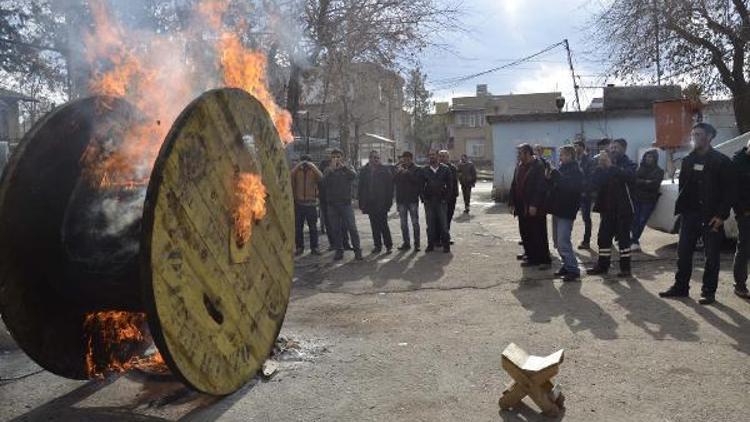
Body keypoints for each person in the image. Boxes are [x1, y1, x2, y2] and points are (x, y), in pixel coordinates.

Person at [659, 123, 735, 304]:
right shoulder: (688, 160)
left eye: (699, 134)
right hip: (690, 215)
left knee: (711, 256)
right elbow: (683, 187)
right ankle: (681, 287)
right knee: (683, 252)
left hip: (712, 216)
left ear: (709, 137)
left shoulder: (722, 161)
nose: (694, 137)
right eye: (693, 134)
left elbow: (730, 191)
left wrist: (721, 215)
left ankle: (708, 292)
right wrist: (682, 210)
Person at [586, 138, 637, 277]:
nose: (613, 150)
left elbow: (628, 176)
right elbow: (593, 184)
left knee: (623, 240)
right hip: (607, 209)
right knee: (603, 238)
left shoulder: (630, 164)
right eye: (612, 148)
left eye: (616, 148)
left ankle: (625, 269)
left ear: (624, 149)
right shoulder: (606, 165)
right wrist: (600, 168)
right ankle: (603, 266)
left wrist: (610, 167)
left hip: (624, 209)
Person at [509, 143, 551, 269]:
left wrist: (534, 204)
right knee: (525, 232)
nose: (518, 155)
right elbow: (514, 185)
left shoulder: (538, 166)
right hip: (522, 206)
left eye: (520, 153)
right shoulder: (520, 165)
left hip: (535, 207)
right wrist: (511, 203)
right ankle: (531, 256)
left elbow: (541, 188)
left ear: (527, 153)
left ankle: (544, 260)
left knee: (538, 233)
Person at [547, 145, 583, 281]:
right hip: (557, 209)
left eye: (563, 155)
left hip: (566, 211)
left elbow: (570, 188)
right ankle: (566, 265)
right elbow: (556, 186)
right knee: (557, 241)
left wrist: (556, 176)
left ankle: (573, 269)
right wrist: (549, 178)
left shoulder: (576, 171)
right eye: (561, 155)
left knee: (563, 241)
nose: (561, 157)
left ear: (570, 156)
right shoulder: (562, 169)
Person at [322, 149, 363, 261]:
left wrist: (343, 167)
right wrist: (330, 170)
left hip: (345, 204)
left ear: (342, 158)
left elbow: (354, 176)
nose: (336, 159)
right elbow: (323, 183)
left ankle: (357, 250)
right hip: (332, 205)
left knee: (352, 228)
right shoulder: (328, 170)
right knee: (335, 229)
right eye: (334, 157)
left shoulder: (347, 168)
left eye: (338, 156)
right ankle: (339, 251)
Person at [358, 150, 395, 254]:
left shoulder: (384, 170)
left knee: (383, 224)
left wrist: (389, 202)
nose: (376, 160)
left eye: (377, 158)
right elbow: (360, 187)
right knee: (374, 226)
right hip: (370, 202)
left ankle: (388, 245)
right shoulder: (364, 170)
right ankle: (377, 246)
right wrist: (361, 202)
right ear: (370, 159)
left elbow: (390, 187)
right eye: (374, 158)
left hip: (382, 202)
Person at [630, 149, 664, 251]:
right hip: (637, 198)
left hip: (649, 200)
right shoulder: (640, 169)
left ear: (655, 159)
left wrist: (641, 182)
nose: (648, 159)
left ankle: (634, 240)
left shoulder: (659, 171)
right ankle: (634, 241)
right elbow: (634, 181)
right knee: (635, 220)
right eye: (647, 156)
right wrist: (646, 182)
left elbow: (655, 185)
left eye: (651, 157)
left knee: (642, 220)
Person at [291, 155, 323, 256]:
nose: (305, 164)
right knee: (298, 227)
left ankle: (315, 247)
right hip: (299, 204)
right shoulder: (297, 171)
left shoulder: (313, 171)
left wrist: (312, 166)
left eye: (307, 162)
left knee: (313, 227)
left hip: (311, 203)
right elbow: (290, 175)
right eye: (303, 161)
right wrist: (298, 165)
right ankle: (299, 247)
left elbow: (321, 177)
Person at [422, 150, 453, 253]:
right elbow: (420, 186)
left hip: (441, 201)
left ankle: (446, 245)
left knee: (443, 225)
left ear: (438, 157)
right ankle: (430, 245)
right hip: (429, 202)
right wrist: (424, 199)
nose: (432, 157)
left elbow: (450, 186)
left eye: (433, 155)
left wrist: (445, 199)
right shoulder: (425, 170)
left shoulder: (445, 169)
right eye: (430, 155)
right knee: (430, 225)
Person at [394, 151, 423, 251]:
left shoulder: (417, 169)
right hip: (402, 200)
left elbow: (418, 182)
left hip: (412, 200)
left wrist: (408, 173)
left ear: (411, 159)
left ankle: (417, 244)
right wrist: (398, 172)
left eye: (407, 159)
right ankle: (406, 243)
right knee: (403, 224)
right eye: (404, 159)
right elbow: (395, 182)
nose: (405, 161)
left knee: (415, 223)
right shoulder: (400, 169)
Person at [732, 138, 750, 298]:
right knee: (744, 248)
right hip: (746, 213)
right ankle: (740, 284)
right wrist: (742, 210)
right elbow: (733, 190)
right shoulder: (738, 162)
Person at [574, 140, 595, 250]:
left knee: (586, 218)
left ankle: (586, 241)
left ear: (582, 147)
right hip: (575, 193)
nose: (575, 148)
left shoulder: (589, 161)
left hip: (585, 194)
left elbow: (590, 178)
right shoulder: (575, 159)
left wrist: (585, 191)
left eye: (577, 146)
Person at [438, 150, 459, 237]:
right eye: (440, 156)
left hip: (451, 197)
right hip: (439, 197)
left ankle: (446, 236)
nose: (442, 158)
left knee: (448, 216)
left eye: (444, 156)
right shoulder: (436, 168)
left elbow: (454, 182)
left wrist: (455, 194)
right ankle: (438, 238)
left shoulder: (453, 168)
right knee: (439, 218)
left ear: (448, 157)